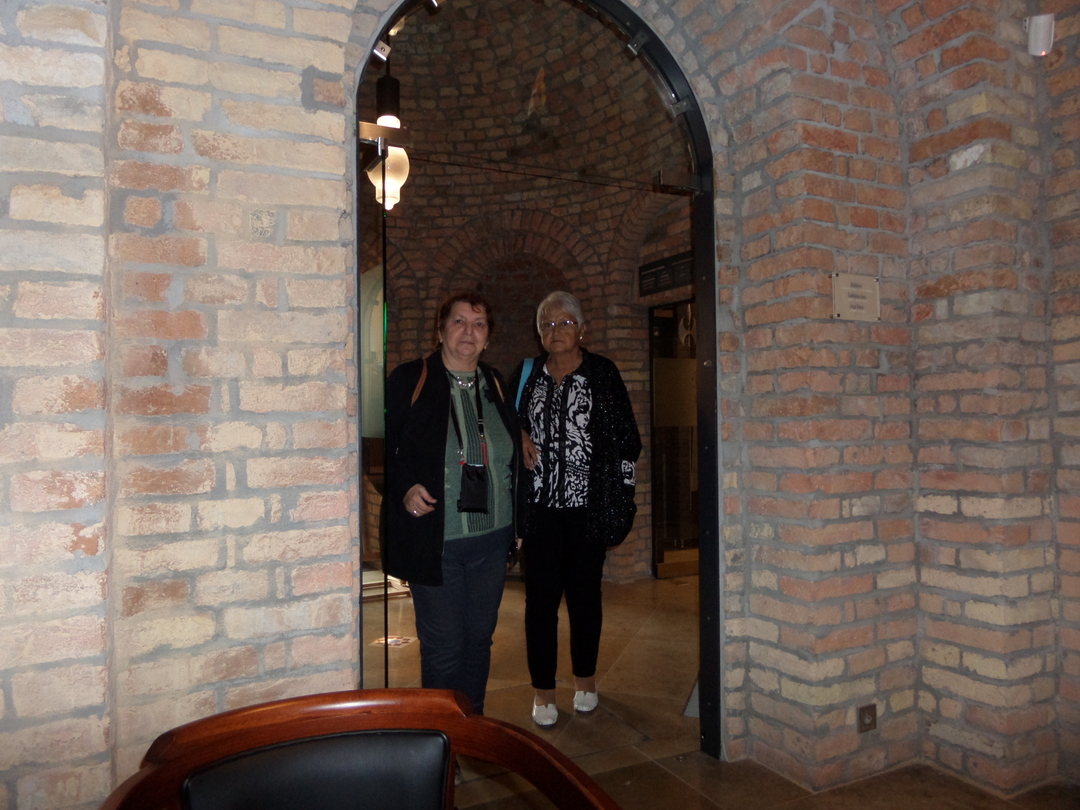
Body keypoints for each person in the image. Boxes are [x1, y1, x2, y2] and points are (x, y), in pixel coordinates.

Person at [384, 292, 522, 716]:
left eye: (479, 324)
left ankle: (471, 726)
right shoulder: (412, 378)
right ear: (440, 330)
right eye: (459, 321)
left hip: (492, 541)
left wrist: (519, 527)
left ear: (488, 338)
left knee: (479, 641)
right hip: (437, 541)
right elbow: (385, 450)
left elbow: (509, 452)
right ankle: (442, 734)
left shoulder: (495, 383)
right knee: (444, 647)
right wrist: (405, 487)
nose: (468, 331)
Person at [510, 291, 641, 726]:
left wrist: (622, 495)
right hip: (540, 510)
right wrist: (519, 435)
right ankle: (543, 692)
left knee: (586, 599)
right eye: (547, 325)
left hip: (588, 508)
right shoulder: (527, 375)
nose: (556, 331)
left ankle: (586, 680)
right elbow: (504, 422)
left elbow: (628, 439)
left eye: (565, 323)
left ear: (582, 330)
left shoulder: (602, 373)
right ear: (538, 332)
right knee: (540, 603)